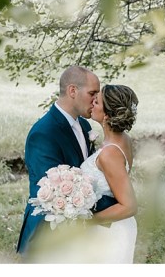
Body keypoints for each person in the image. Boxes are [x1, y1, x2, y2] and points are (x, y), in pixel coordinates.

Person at [16, 66, 116, 255]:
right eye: (92, 93)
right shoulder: (44, 133)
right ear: (72, 91)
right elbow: (55, 194)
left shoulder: (84, 124)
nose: (96, 100)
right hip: (48, 236)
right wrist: (116, 208)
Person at [80, 84, 140, 263]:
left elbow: (129, 206)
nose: (92, 102)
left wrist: (89, 221)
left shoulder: (110, 154)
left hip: (110, 230)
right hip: (113, 226)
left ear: (106, 114)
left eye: (96, 101)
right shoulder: (123, 139)